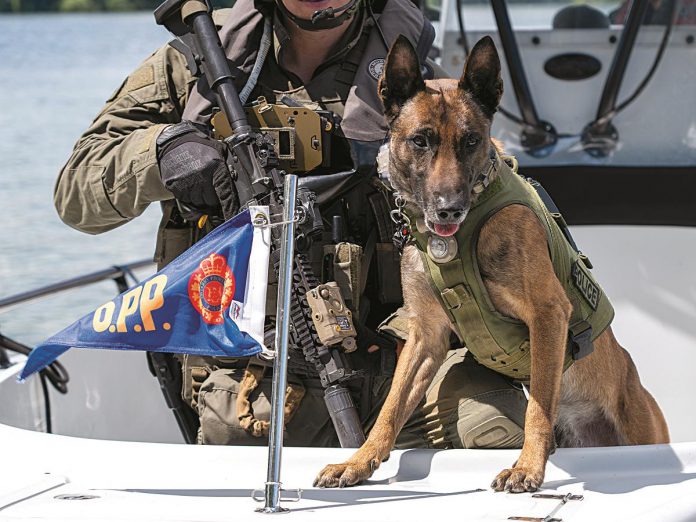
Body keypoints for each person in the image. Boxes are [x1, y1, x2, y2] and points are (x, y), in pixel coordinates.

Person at [54, 0, 528, 449]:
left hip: (413, 353)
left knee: (501, 434)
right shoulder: (194, 64)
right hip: (259, 359)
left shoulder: (420, 72)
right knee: (239, 441)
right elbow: (75, 195)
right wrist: (162, 153)